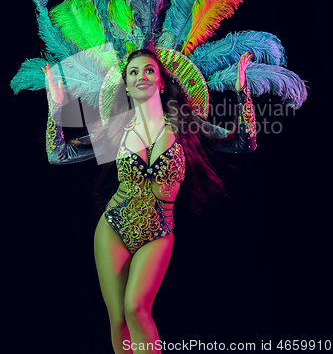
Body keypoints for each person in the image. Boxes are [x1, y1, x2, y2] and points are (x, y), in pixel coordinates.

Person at [41, 47, 256, 353]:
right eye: (133, 72)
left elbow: (245, 144)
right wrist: (57, 108)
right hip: (112, 228)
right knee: (118, 319)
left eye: (149, 70)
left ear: (161, 82)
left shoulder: (185, 126)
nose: (141, 76)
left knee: (136, 308)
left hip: (159, 232)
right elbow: (57, 154)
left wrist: (242, 93)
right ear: (126, 85)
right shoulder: (115, 129)